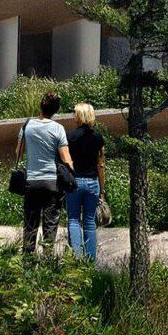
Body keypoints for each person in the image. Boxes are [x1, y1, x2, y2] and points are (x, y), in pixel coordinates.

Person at [15, 92, 71, 261]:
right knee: (50, 223)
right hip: (51, 182)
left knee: (30, 223)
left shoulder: (27, 125)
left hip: (31, 181)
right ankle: (47, 259)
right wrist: (71, 175)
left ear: (41, 106)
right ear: (55, 110)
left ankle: (28, 260)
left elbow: (18, 151)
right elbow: (65, 157)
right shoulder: (58, 128)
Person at [64, 101, 109, 260]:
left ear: (80, 116)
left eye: (75, 113)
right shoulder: (98, 137)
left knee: (74, 220)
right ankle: (91, 259)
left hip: (75, 181)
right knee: (90, 221)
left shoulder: (70, 136)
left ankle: (76, 258)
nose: (73, 116)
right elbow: (101, 164)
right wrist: (102, 189)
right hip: (92, 182)